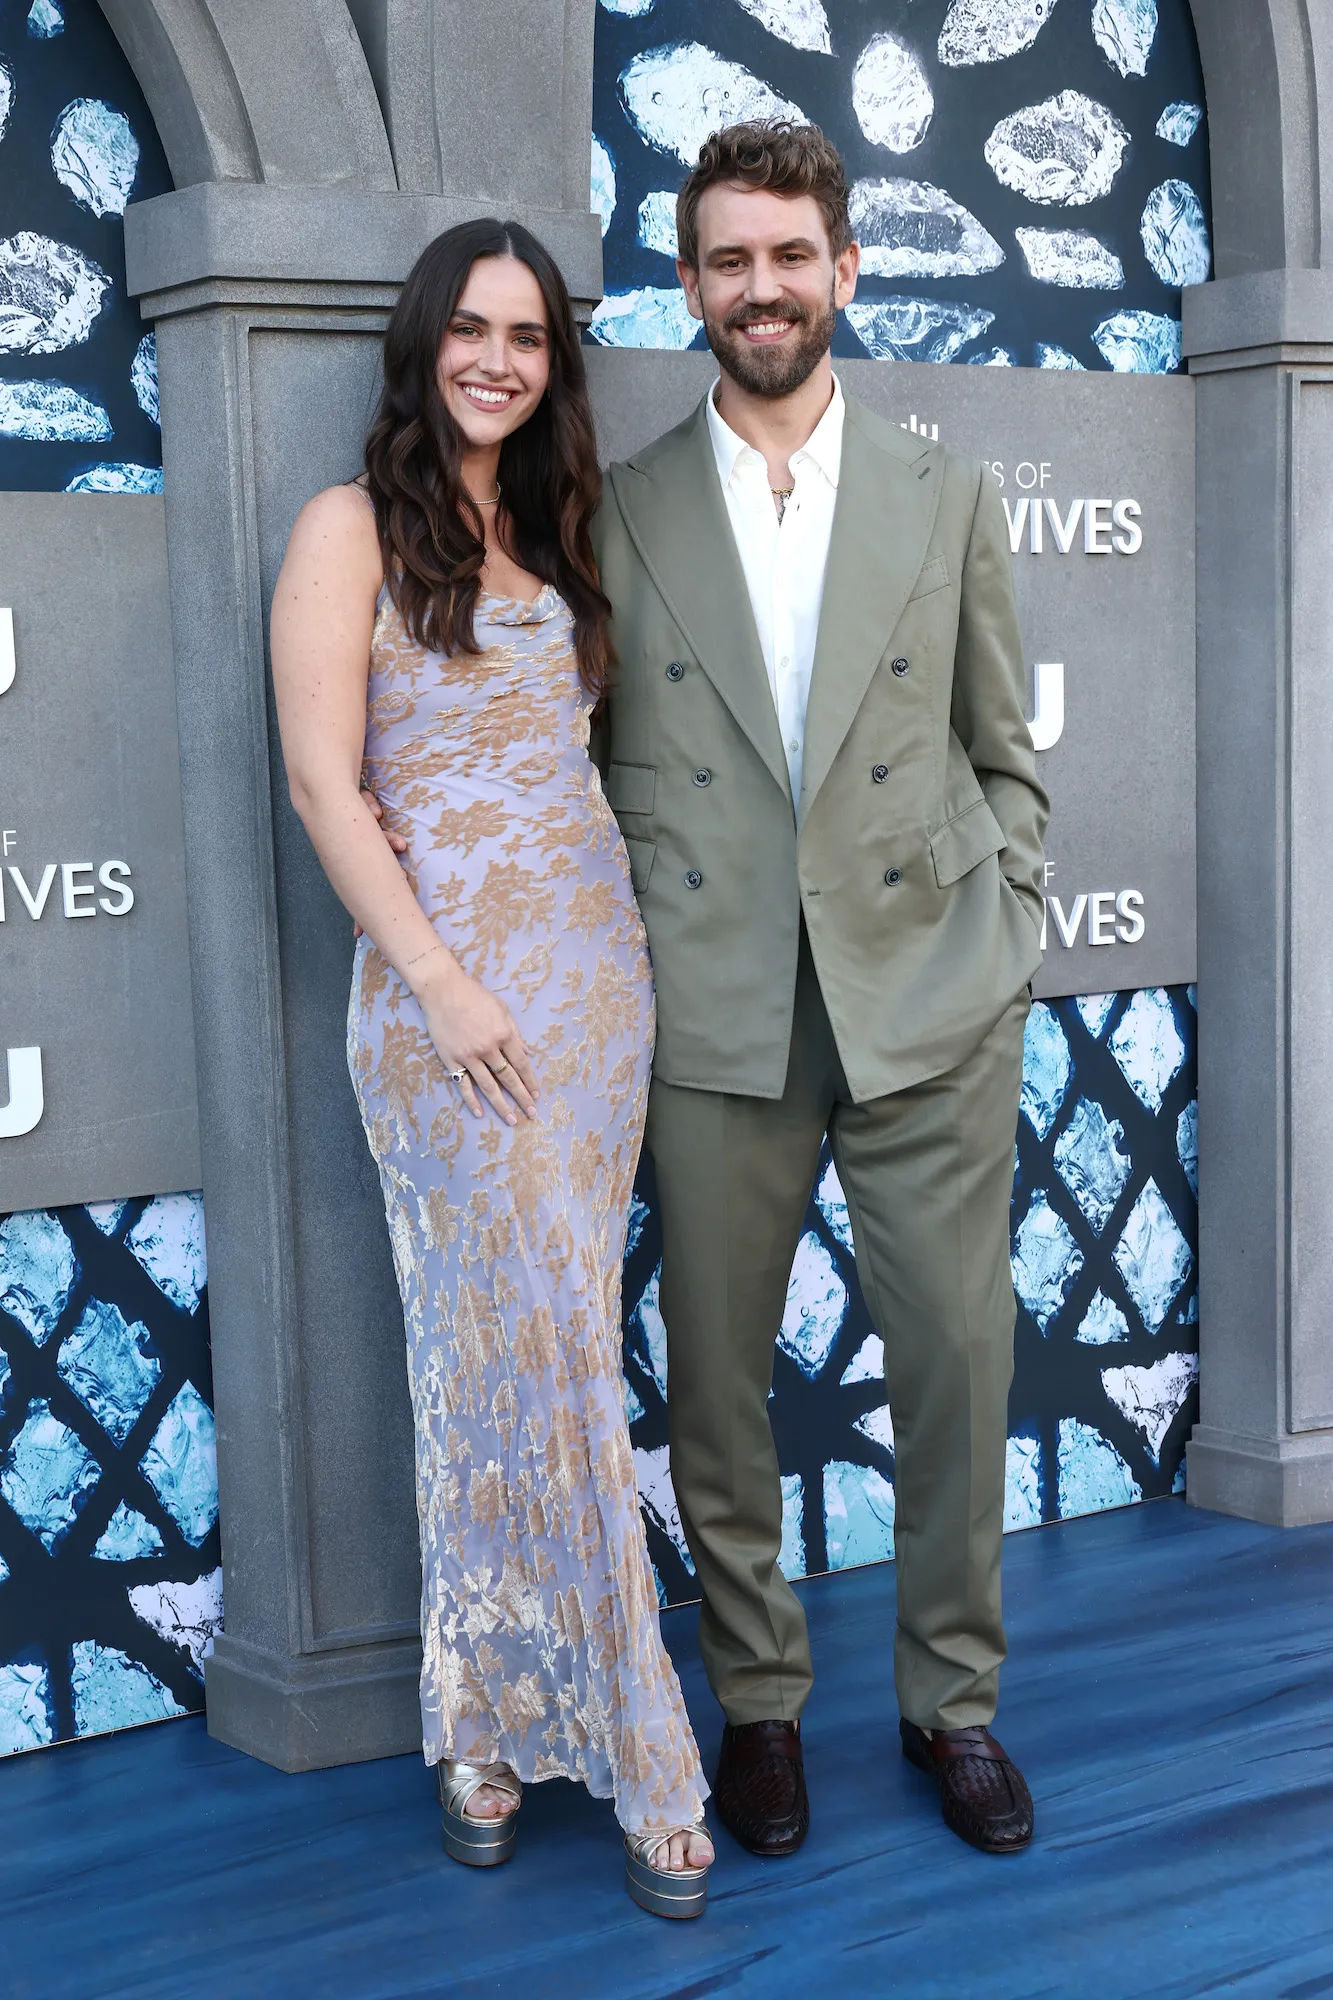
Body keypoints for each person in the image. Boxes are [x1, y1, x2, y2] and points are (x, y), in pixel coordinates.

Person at [590, 121, 1048, 1861]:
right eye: (730, 260)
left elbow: (1003, 752)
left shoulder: (947, 492)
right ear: (690, 283)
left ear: (844, 270)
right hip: (716, 1000)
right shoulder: (621, 503)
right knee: (717, 1384)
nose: (761, 288)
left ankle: (953, 1705)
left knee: (958, 1363)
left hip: (928, 987)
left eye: (790, 256)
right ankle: (760, 1706)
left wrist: (1006, 924)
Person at [269, 218, 713, 1921]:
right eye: (471, 328)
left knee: (566, 1345)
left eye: (527, 337)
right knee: (489, 1355)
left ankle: (494, 1717)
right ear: (424, 340)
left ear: (552, 364)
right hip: (444, 1013)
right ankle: (593, 1740)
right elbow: (324, 784)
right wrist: (445, 982)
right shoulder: (347, 528)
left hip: (596, 994)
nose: (498, 361)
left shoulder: (554, 525)